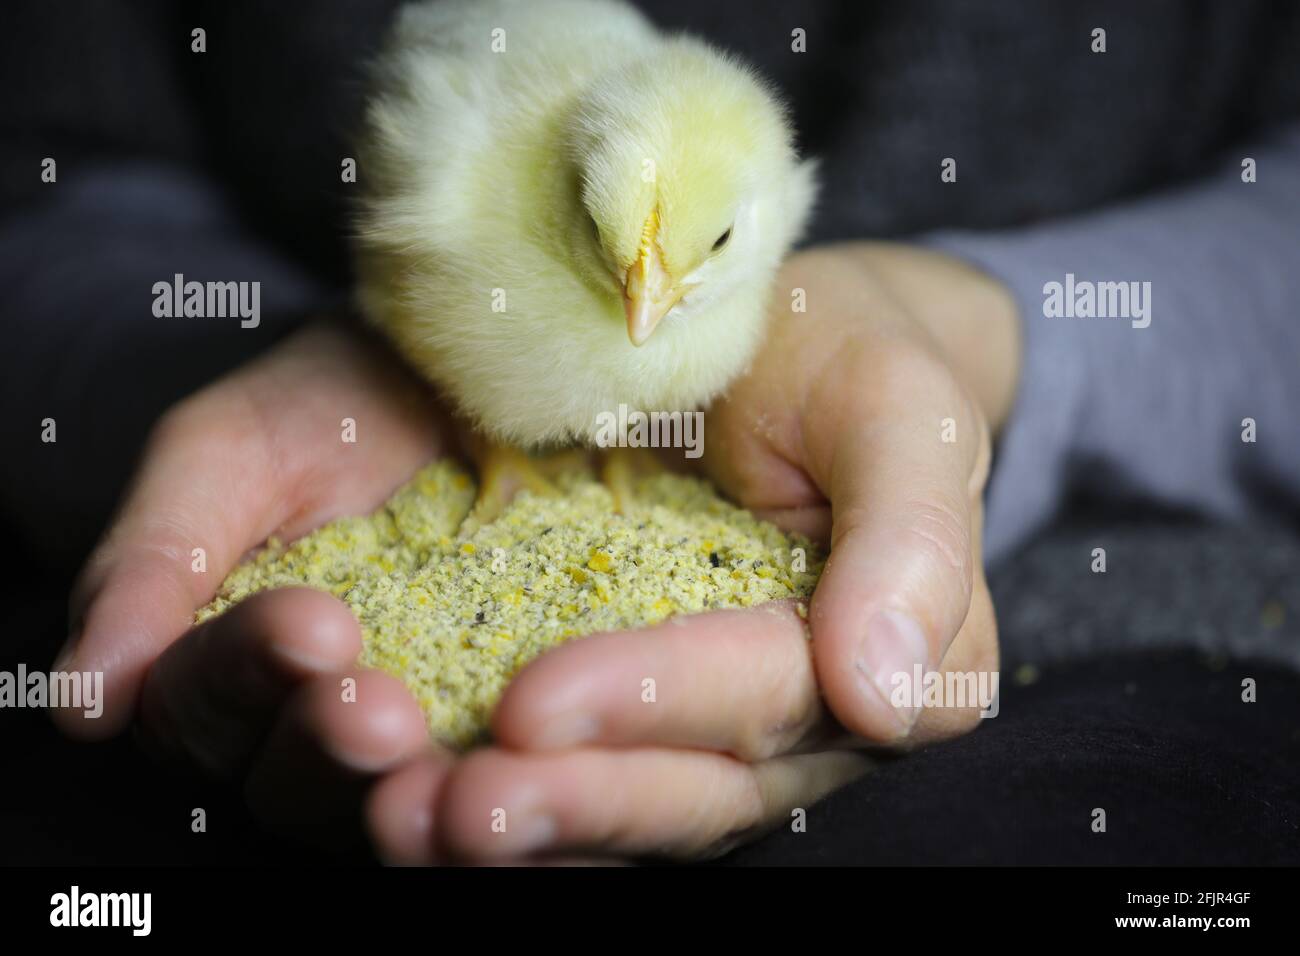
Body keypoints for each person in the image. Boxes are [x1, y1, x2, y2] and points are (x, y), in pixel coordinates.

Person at [5, 1, 1298, 863]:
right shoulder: (471, 179)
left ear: (776, 208)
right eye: (615, 256)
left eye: (693, 264)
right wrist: (207, 367)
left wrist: (996, 337)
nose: (642, 311)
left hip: (1169, 613)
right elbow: (47, 171)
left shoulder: (738, 188)